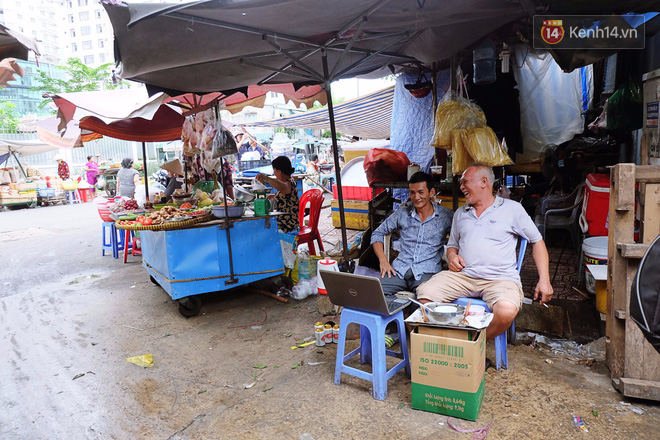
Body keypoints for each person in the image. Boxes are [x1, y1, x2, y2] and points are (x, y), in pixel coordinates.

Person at [416, 164, 553, 340]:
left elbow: (537, 241)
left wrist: (544, 280)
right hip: (463, 276)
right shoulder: (460, 213)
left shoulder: (512, 209)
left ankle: (473, 344)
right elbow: (452, 245)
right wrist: (452, 256)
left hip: (500, 278)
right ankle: (450, 340)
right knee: (425, 297)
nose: (461, 187)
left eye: (465, 182)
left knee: (506, 311)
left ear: (484, 182)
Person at [371, 171, 453, 298]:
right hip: (399, 270)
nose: (416, 197)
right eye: (412, 192)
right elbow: (378, 233)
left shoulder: (446, 216)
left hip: (427, 272)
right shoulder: (402, 213)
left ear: (431, 192)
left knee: (424, 301)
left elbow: (459, 239)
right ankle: (395, 316)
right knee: (374, 294)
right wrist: (383, 261)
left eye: (421, 192)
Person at [255, 156, 299, 233]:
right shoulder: (288, 181)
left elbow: (284, 188)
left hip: (287, 226)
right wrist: (275, 196)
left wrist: (266, 178)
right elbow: (286, 197)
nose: (274, 173)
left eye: (274, 170)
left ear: (279, 171)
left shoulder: (289, 183)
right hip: (282, 223)